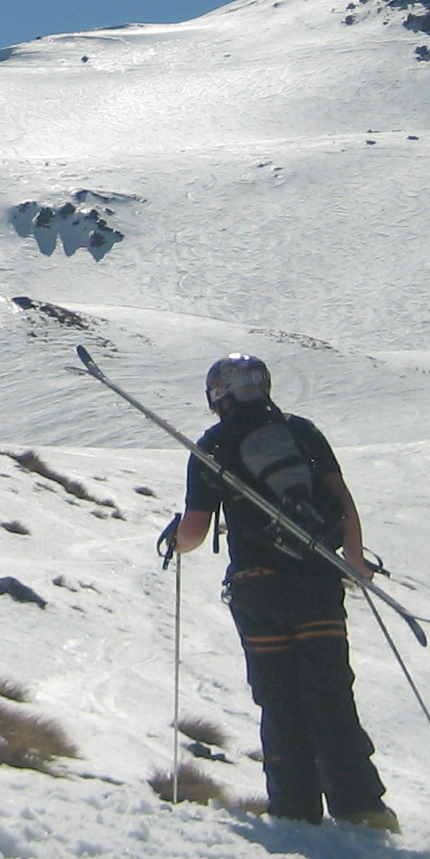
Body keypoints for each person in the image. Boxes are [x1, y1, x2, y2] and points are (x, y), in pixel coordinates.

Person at [168, 353, 396, 831]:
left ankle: (295, 812)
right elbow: (341, 500)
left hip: (259, 588)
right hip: (317, 580)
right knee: (331, 692)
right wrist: (354, 562)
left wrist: (174, 540)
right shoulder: (303, 433)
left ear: (218, 394)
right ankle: (363, 808)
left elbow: (194, 531)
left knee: (280, 699)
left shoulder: (214, 445)